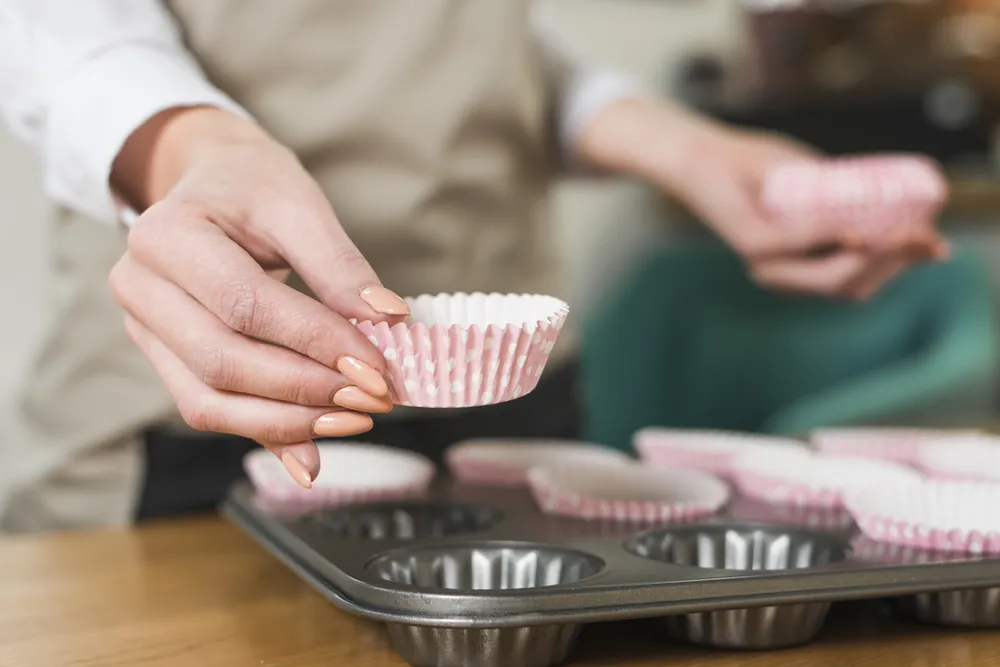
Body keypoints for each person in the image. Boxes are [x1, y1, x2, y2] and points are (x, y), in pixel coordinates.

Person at [0, 0, 945, 532]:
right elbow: (75, 35)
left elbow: (485, 40)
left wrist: (687, 150)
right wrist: (192, 149)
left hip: (512, 418)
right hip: (198, 431)